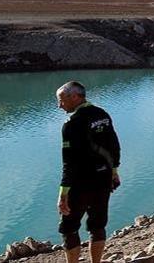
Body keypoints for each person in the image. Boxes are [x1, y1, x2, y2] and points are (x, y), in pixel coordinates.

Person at [55, 81, 121, 263]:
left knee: (69, 228)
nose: (59, 106)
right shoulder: (102, 115)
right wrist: (114, 171)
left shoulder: (72, 123)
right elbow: (114, 145)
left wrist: (63, 193)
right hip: (104, 179)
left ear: (75, 97)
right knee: (97, 225)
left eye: (61, 100)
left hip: (81, 183)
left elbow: (69, 161)